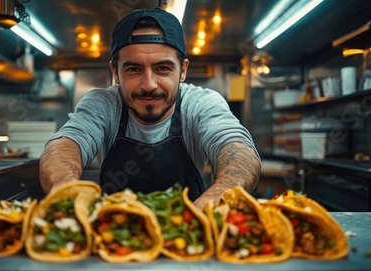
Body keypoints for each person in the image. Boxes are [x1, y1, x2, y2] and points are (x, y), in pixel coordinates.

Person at [39, 7, 261, 210]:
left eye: (162, 68)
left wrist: (219, 197)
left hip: (189, 235)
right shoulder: (103, 104)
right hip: (112, 239)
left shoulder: (200, 103)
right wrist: (65, 187)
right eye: (134, 69)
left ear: (183, 71)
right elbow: (66, 144)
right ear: (115, 72)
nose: (148, 85)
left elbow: (238, 149)